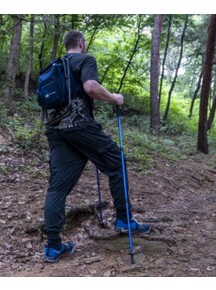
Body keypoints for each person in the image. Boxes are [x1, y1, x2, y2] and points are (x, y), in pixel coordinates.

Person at [43, 30, 150, 263]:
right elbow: (91, 87)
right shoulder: (85, 59)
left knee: (57, 188)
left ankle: (53, 246)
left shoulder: (54, 65)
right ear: (82, 43)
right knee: (117, 163)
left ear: (66, 44)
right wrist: (114, 98)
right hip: (79, 126)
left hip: (56, 130)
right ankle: (124, 218)